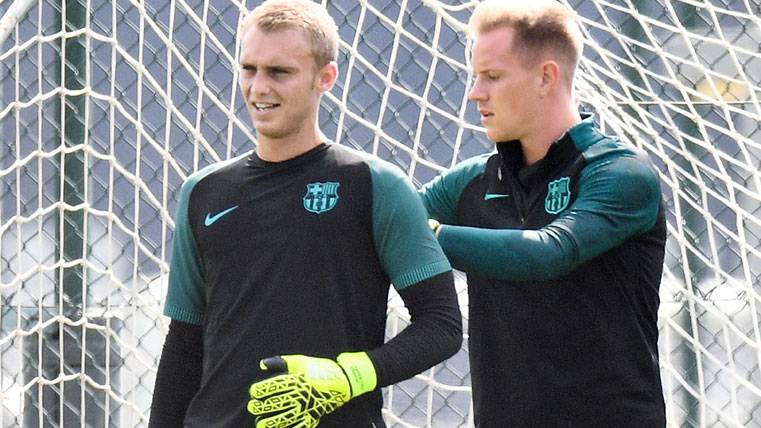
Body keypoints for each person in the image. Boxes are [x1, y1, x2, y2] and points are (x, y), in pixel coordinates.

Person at [148, 1, 462, 427]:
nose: (259, 87)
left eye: (279, 72)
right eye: (249, 69)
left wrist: (348, 376)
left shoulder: (374, 184)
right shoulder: (202, 191)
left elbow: (441, 324)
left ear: (325, 78)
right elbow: (184, 343)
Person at [420, 0, 667, 426]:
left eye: (493, 77)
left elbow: (548, 253)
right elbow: (377, 220)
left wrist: (428, 235)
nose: (476, 92)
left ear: (546, 77)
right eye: (476, 77)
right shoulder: (470, 182)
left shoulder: (620, 174)